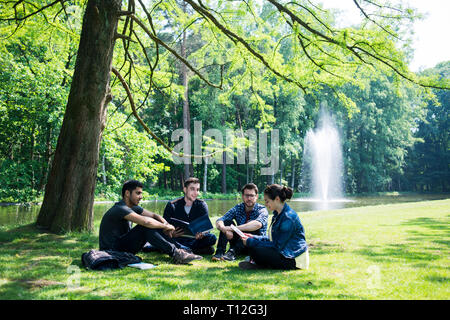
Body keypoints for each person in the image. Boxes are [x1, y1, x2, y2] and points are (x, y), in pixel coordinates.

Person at [98, 180, 202, 264]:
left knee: (153, 224)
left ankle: (181, 250)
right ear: (127, 193)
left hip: (122, 245)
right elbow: (146, 222)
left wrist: (167, 225)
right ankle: (177, 253)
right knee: (145, 227)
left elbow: (154, 215)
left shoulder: (133, 207)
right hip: (112, 250)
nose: (141, 197)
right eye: (138, 193)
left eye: (141, 193)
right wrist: (164, 227)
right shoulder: (120, 208)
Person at [238, 184, 309, 270]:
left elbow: (277, 246)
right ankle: (258, 263)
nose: (266, 204)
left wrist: (250, 241)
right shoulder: (277, 214)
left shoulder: (288, 218)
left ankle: (259, 264)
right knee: (254, 247)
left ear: (277, 199)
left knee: (255, 249)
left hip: (292, 258)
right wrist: (254, 237)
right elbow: (273, 239)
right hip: (284, 252)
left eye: (267, 201)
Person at [212, 183, 268, 262]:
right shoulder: (238, 208)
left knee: (251, 224)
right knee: (227, 221)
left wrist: (233, 229)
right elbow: (220, 220)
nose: (249, 198)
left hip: (254, 244)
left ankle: (231, 254)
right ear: (242, 196)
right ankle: (219, 252)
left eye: (252, 196)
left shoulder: (262, 210)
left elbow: (258, 224)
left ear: (257, 196)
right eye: (246, 195)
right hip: (239, 242)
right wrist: (224, 228)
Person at [162, 177, 217, 255]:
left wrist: (202, 234)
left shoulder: (202, 205)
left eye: (197, 190)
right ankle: (193, 250)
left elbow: (206, 228)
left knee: (212, 238)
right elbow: (164, 226)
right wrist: (171, 234)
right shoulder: (172, 205)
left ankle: (182, 249)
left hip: (195, 239)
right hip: (177, 238)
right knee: (162, 238)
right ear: (185, 189)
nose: (196, 193)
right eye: (192, 189)